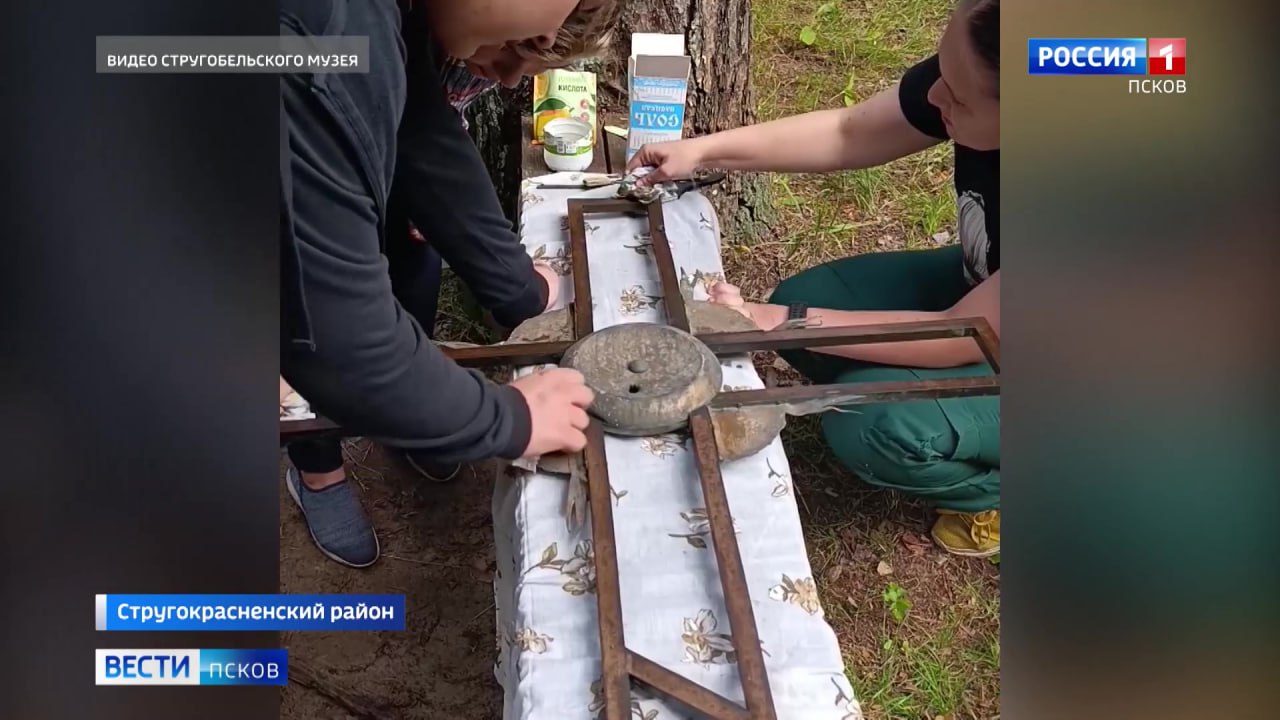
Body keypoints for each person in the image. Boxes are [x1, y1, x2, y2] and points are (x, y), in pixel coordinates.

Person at [627, 0, 1001, 556]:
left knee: (874, 422)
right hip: (992, 290)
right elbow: (851, 132)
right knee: (813, 303)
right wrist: (704, 151)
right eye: (942, 73)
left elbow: (964, 330)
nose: (934, 96)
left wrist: (781, 321)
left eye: (958, 95)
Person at [279, 0, 617, 568]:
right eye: (530, 42)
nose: (511, 77)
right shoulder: (314, 41)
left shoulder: (376, 21)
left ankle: (415, 425)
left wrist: (516, 288)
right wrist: (508, 420)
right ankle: (317, 470)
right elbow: (331, 335)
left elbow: (422, 138)